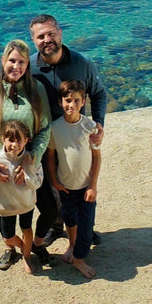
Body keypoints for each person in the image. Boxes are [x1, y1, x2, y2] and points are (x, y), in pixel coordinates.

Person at [28, 14, 106, 249]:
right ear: (33, 40)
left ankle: (84, 226)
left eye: (51, 33)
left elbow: (98, 93)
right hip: (45, 137)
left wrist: (99, 123)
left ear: (60, 34)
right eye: (41, 36)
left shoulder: (81, 63)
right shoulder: (29, 67)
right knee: (52, 187)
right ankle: (56, 225)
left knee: (81, 179)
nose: (47, 40)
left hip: (76, 135)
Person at [0, 39, 52, 270]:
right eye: (12, 61)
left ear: (28, 65)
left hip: (28, 161)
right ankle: (10, 248)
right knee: (4, 211)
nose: (16, 66)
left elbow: (45, 128)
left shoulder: (37, 89)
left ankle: (34, 246)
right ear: (3, 60)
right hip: (1, 165)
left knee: (43, 208)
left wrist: (33, 157)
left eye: (22, 62)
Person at [45, 80, 101, 278]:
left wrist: (93, 185)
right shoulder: (55, 128)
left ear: (84, 101)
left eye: (77, 100)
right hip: (65, 186)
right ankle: (72, 244)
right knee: (69, 219)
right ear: (60, 102)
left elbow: (96, 157)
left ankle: (79, 259)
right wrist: (54, 181)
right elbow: (50, 157)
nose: (72, 105)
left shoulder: (89, 126)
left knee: (86, 225)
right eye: (68, 100)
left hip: (85, 186)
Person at [0, 120, 44, 274]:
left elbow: (36, 184)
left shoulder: (30, 158)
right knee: (8, 237)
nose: (15, 145)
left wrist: (28, 168)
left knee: (27, 228)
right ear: (3, 139)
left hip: (25, 203)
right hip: (4, 205)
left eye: (19, 140)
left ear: (26, 140)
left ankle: (27, 257)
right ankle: (23, 247)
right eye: (11, 140)